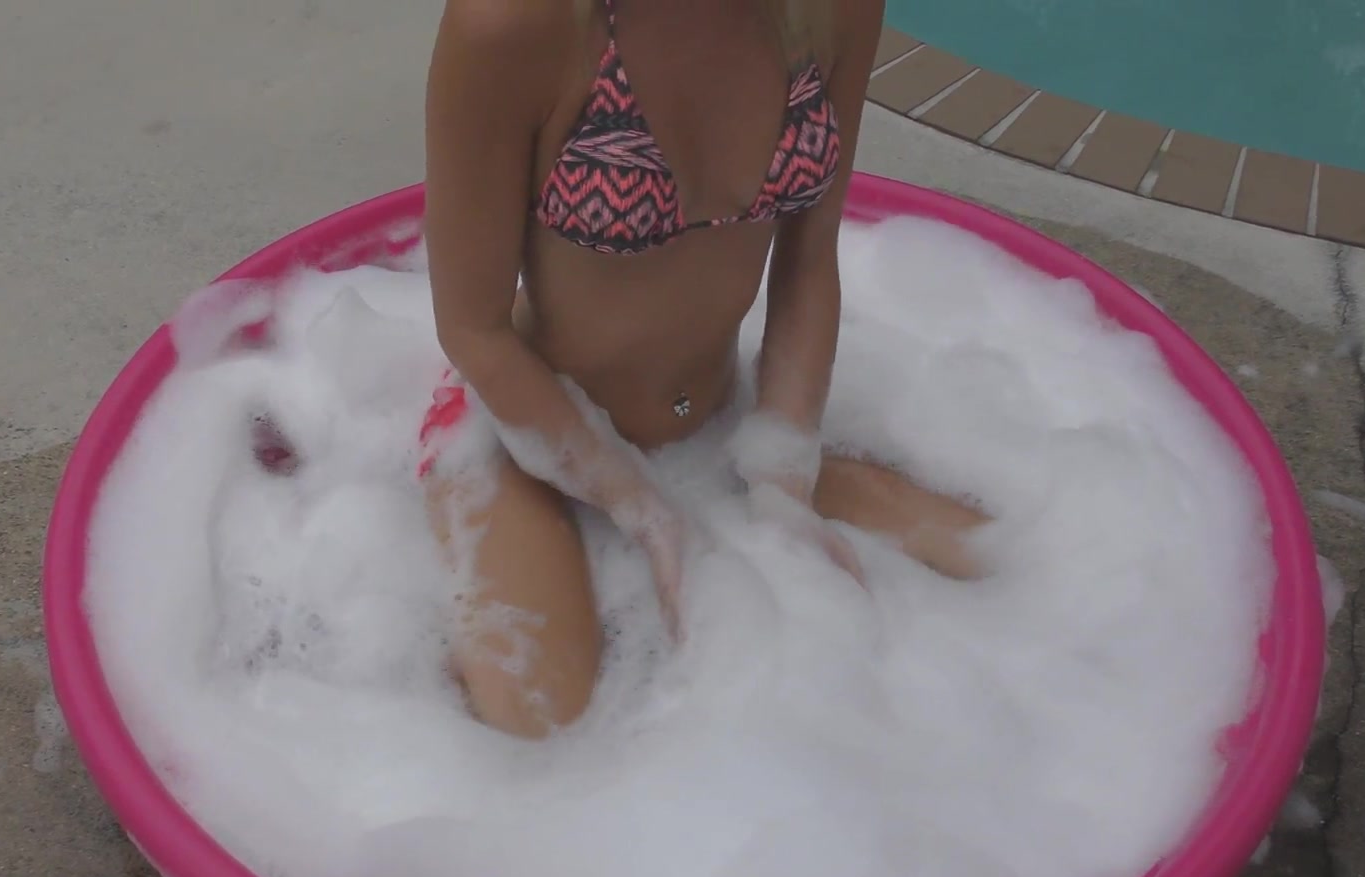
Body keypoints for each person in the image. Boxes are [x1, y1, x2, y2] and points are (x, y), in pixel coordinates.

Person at [421, 0, 987, 739]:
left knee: (1001, 562)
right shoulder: (514, 23)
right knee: (544, 741)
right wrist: (646, 514)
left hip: (727, 430)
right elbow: (475, 331)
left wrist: (783, 479)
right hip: (522, 438)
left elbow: (808, 258)